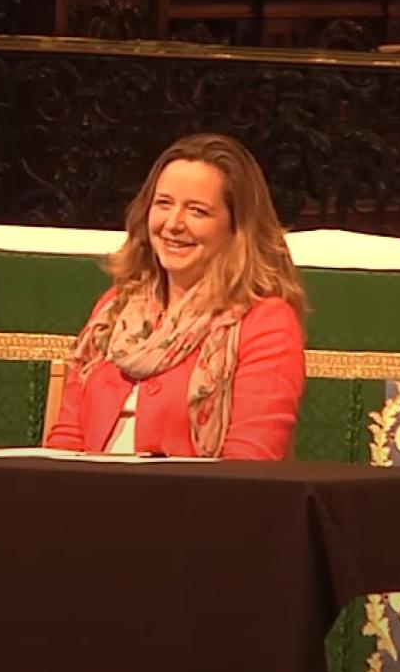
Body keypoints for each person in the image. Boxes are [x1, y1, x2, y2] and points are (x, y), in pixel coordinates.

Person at [46, 133, 306, 460]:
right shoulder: (114, 309)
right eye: (163, 204)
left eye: (197, 211)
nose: (173, 224)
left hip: (196, 506)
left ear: (236, 228)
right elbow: (67, 440)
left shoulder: (265, 322)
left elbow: (249, 467)